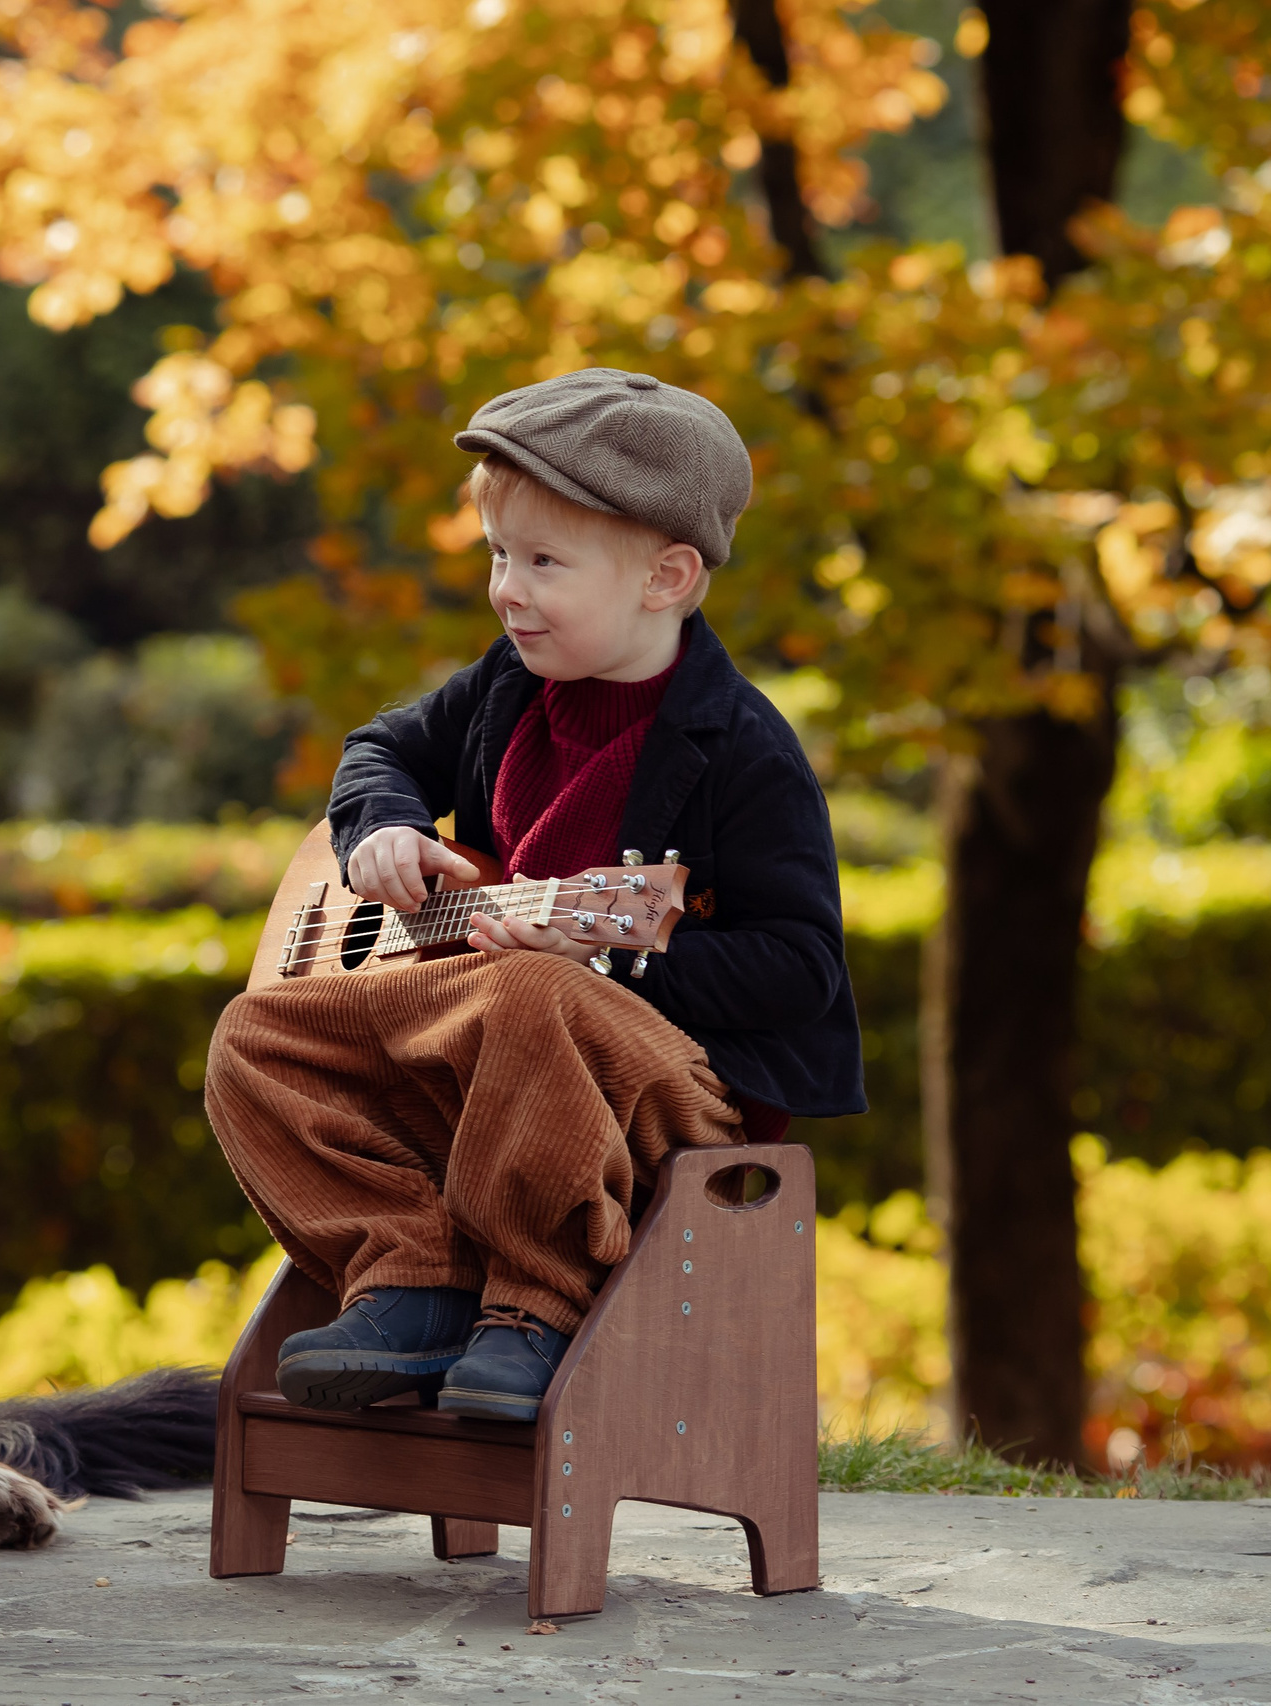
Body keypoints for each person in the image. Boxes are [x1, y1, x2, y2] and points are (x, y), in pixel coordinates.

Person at [202, 369, 864, 1422]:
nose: (508, 589)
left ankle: (535, 1304)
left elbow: (800, 967)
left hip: (670, 1092)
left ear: (665, 576)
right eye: (499, 555)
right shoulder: (505, 688)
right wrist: (382, 828)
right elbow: (381, 745)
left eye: (544, 562)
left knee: (523, 994)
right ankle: (409, 1275)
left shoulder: (742, 749)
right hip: (482, 1057)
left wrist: (613, 954)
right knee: (253, 1038)